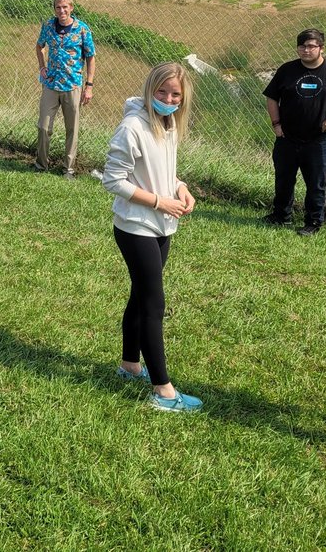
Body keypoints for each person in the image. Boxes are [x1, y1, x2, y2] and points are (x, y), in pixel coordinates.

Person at [101, 61, 201, 412]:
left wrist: (180, 186)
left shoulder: (168, 122)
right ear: (149, 89)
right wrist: (160, 202)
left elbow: (162, 171)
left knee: (141, 295)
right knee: (154, 305)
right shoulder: (132, 127)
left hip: (161, 225)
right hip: (135, 227)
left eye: (175, 94)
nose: (168, 98)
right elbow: (113, 180)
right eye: (162, 92)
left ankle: (130, 364)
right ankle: (163, 391)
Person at [262, 28, 326, 235]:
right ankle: (281, 216)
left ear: (321, 48)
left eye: (311, 46)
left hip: (319, 141)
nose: (306, 50)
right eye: (302, 46)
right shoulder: (287, 70)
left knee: (317, 184)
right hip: (287, 137)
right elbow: (272, 97)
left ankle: (313, 222)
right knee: (283, 179)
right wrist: (276, 124)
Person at [34, 0, 96, 178]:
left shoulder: (82, 30)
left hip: (72, 85)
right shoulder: (48, 26)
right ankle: (41, 165)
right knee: (44, 126)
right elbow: (39, 46)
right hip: (51, 84)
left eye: (65, 7)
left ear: (71, 8)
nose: (61, 11)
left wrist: (89, 86)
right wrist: (42, 67)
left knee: (72, 129)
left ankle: (68, 168)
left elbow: (91, 57)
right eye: (58, 8)